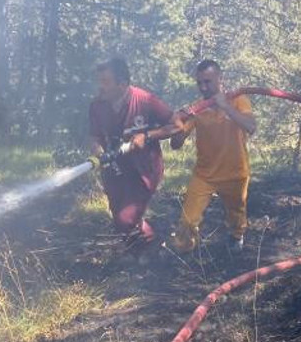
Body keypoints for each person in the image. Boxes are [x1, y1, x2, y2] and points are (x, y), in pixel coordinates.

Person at [167, 59, 257, 253]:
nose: (203, 87)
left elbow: (251, 127)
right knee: (188, 219)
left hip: (235, 173)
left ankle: (236, 236)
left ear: (220, 79)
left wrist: (225, 106)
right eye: (199, 83)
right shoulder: (197, 109)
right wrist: (177, 124)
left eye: (208, 82)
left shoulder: (238, 100)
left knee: (236, 214)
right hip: (204, 174)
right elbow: (175, 145)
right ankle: (184, 252)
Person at [88, 56, 174, 245]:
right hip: (114, 169)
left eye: (105, 82)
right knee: (119, 217)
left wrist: (148, 136)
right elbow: (94, 136)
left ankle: (149, 242)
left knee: (126, 218)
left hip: (143, 169)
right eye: (99, 81)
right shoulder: (96, 106)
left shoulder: (146, 101)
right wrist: (98, 150)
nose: (100, 87)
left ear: (122, 84)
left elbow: (176, 125)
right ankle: (138, 246)